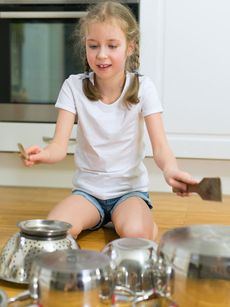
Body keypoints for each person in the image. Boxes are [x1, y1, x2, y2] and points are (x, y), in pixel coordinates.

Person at [22, 0, 197, 241]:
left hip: (129, 193)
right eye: (93, 45)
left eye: (112, 45)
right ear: (85, 46)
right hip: (87, 193)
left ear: (130, 47)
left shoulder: (144, 88)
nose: (101, 54)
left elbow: (160, 148)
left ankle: (140, 221)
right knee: (56, 232)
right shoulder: (73, 86)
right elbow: (58, 148)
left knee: (135, 234)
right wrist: (43, 154)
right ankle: (120, 221)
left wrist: (171, 170)